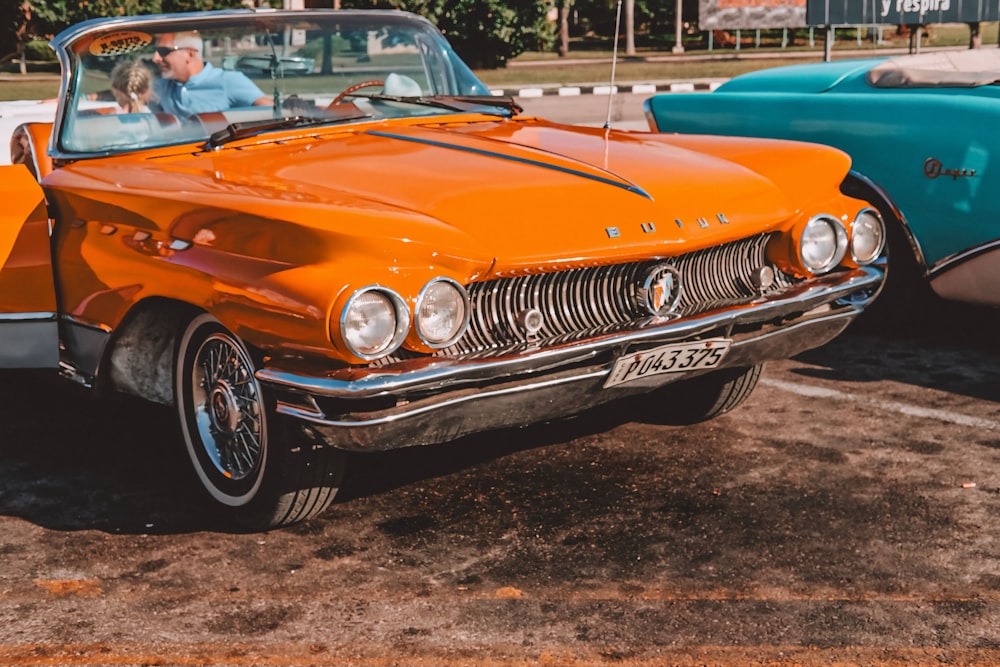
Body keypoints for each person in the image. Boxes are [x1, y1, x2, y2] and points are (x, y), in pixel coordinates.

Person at [151, 31, 272, 116]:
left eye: (163, 51)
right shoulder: (160, 87)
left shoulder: (228, 81)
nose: (155, 58)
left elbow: (272, 112)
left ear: (190, 54)